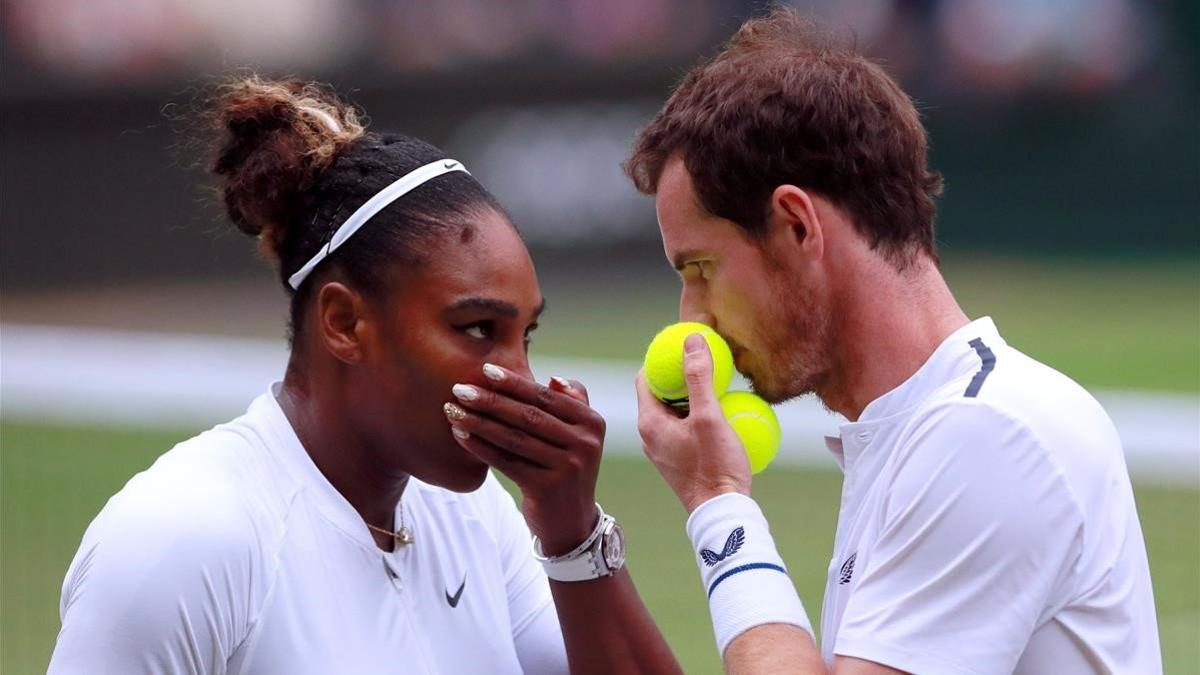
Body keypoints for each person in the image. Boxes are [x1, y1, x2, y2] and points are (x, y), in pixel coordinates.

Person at [49, 77, 681, 674]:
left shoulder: (479, 521)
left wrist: (573, 537)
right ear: (345, 322)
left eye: (525, 337)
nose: (519, 379)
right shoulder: (184, 537)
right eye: (478, 330)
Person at [627, 8, 1161, 675]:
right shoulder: (929, 428)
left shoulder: (986, 434)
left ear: (796, 225)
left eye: (701, 269)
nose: (693, 319)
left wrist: (717, 504)